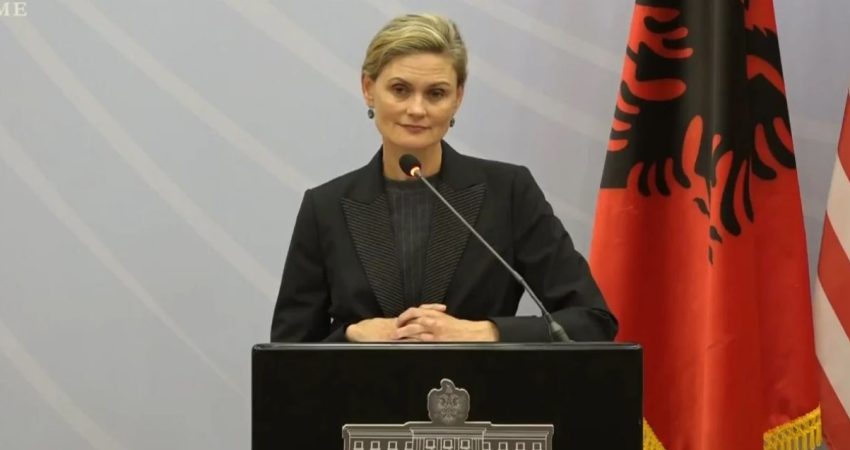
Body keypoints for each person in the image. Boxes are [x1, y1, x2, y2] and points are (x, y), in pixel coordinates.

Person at [271, 13, 616, 343]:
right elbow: (287, 351)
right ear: (368, 88)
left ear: (457, 98)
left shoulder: (509, 192)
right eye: (400, 89)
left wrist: (484, 333)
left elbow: (592, 322)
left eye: (436, 93)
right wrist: (352, 334)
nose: (417, 109)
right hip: (362, 388)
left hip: (481, 386)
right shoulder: (325, 207)